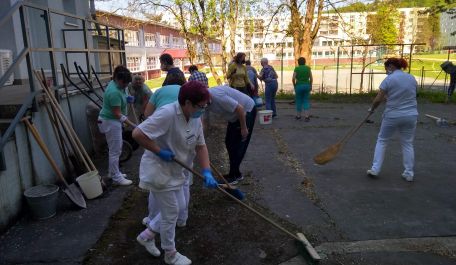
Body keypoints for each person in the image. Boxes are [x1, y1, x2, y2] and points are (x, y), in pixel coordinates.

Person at [133, 81, 218, 265]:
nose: (203, 110)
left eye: (205, 106)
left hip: (177, 171)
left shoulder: (195, 118)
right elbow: (138, 134)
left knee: (180, 206)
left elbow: (201, 146)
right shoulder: (168, 113)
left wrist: (207, 171)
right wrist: (158, 150)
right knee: (171, 212)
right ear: (187, 103)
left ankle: (147, 235)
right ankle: (170, 254)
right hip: (159, 171)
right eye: (201, 106)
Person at [366, 58, 418, 182]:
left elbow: (378, 99)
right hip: (411, 115)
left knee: (382, 140)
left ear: (391, 66)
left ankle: (375, 169)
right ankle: (409, 173)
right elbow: (411, 94)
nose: (386, 71)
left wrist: (372, 109)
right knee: (407, 143)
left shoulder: (389, 79)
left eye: (386, 68)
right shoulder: (411, 78)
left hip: (393, 115)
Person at [207, 85, 256, 184]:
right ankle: (235, 173)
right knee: (229, 142)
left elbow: (240, 109)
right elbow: (203, 121)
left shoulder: (217, 96)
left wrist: (244, 128)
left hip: (246, 111)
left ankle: (234, 175)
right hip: (235, 116)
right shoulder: (202, 101)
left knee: (237, 144)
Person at [97, 65, 136, 185]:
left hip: (112, 120)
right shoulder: (113, 92)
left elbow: (122, 93)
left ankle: (112, 172)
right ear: (118, 80)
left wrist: (126, 97)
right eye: (124, 84)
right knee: (115, 150)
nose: (125, 86)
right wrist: (132, 124)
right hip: (110, 122)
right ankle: (116, 178)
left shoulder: (116, 84)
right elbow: (118, 114)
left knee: (115, 150)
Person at [292, 57, 313, 121]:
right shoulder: (308, 68)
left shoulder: (297, 69)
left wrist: (295, 85)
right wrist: (310, 85)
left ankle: (298, 116)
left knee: (299, 100)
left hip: (299, 86)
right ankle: (307, 116)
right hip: (307, 85)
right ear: (305, 62)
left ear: (298, 62)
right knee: (306, 100)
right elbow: (311, 78)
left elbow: (293, 78)